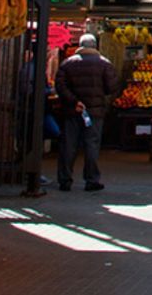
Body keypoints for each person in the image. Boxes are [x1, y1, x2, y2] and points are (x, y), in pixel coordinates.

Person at [54, 33, 118, 192]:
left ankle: (65, 179)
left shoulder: (67, 63)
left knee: (69, 145)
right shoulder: (104, 64)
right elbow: (111, 87)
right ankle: (91, 180)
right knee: (92, 145)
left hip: (72, 110)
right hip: (94, 111)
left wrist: (74, 101)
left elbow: (60, 86)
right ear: (95, 46)